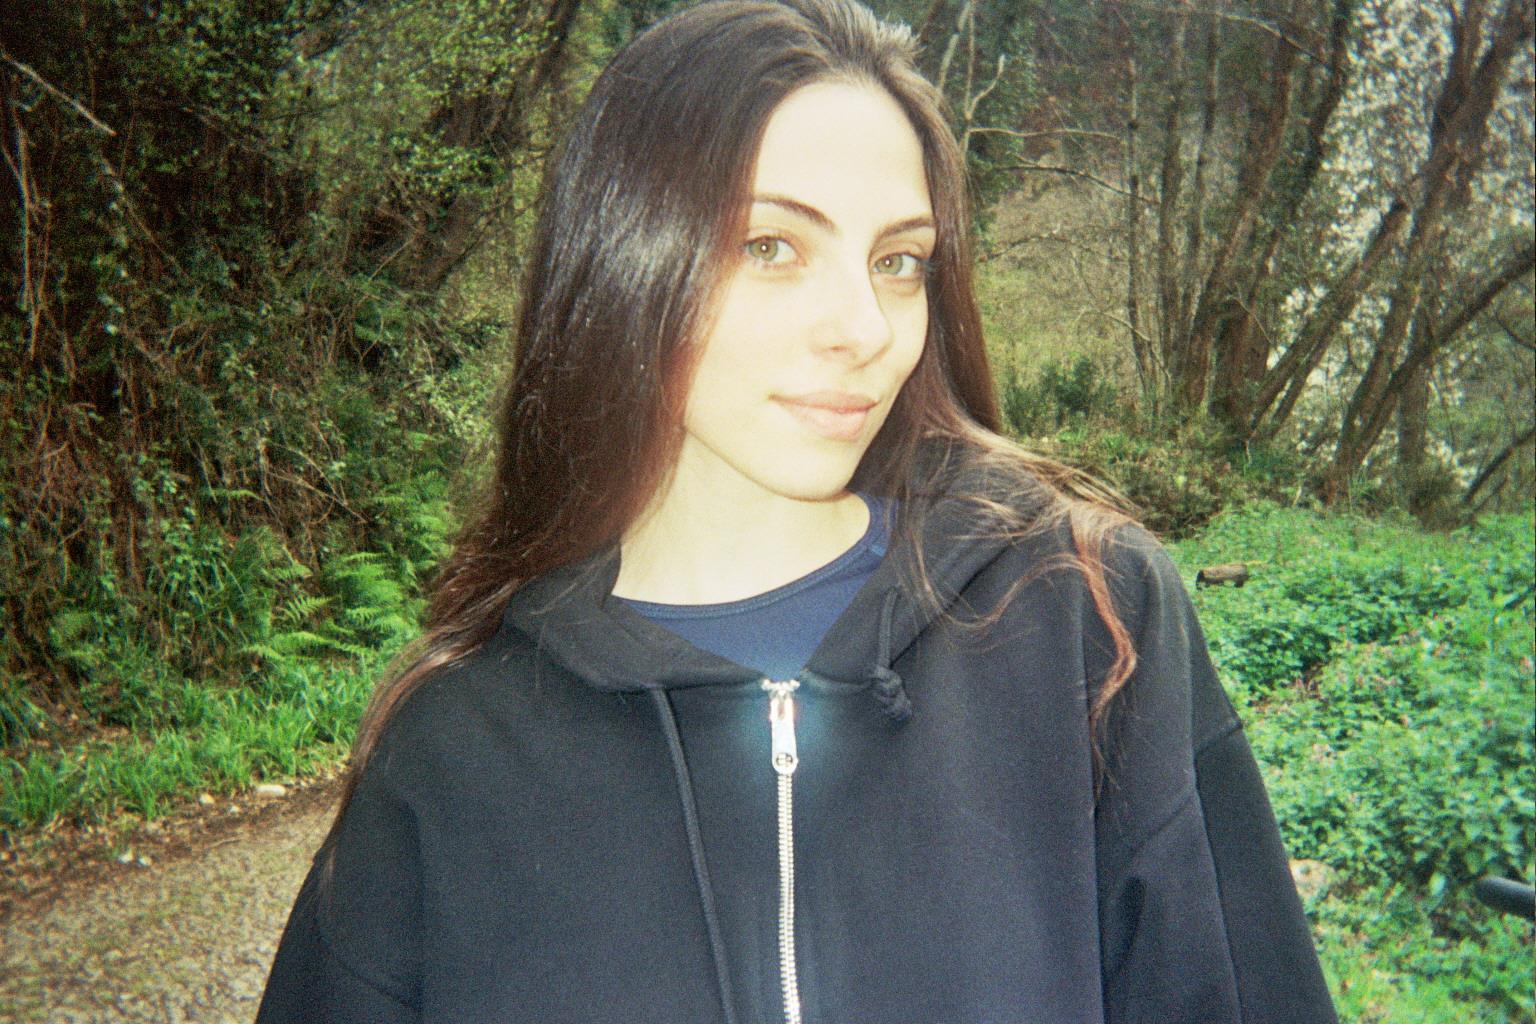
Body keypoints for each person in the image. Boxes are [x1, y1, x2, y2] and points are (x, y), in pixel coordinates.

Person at [257, 1, 1339, 1021]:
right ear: (624, 259)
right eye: (771, 246)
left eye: (898, 261)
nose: (864, 327)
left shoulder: (1090, 619)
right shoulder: (454, 751)